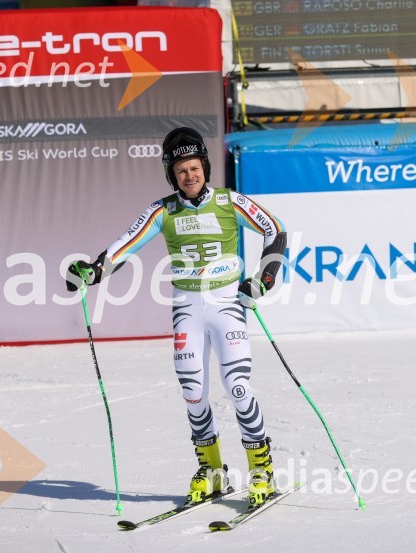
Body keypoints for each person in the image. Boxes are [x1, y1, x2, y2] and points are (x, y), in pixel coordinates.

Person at [65, 127, 287, 507]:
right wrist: (92, 270)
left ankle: (261, 467)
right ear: (172, 174)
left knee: (237, 386)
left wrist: (263, 280)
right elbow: (123, 248)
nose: (190, 175)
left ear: (205, 166)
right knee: (192, 392)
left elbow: (275, 230)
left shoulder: (229, 201)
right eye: (181, 170)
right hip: (187, 307)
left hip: (226, 305)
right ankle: (213, 470)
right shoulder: (162, 210)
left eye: (195, 167)